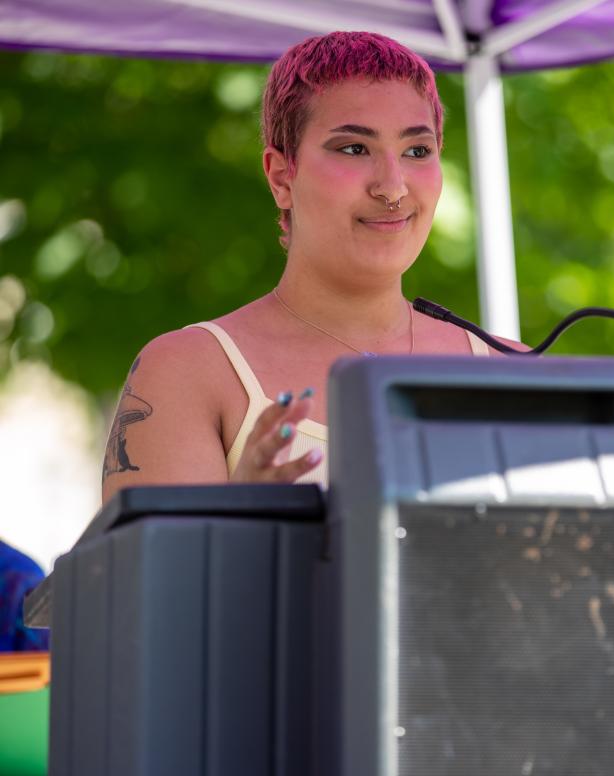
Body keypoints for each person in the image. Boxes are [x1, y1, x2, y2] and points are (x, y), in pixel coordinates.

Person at [101, 31, 519, 502]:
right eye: (354, 149)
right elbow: (145, 575)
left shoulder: (517, 372)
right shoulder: (187, 371)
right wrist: (234, 523)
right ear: (282, 176)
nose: (393, 187)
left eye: (417, 151)